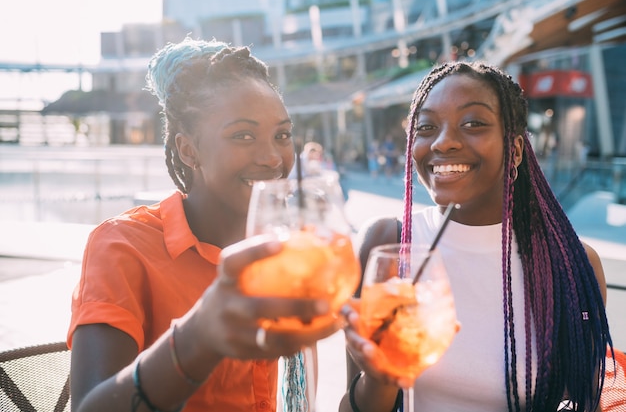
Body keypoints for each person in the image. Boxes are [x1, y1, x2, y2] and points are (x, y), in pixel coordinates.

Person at [67, 37, 342, 412]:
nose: (272, 158)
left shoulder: (282, 250)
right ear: (187, 149)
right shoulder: (122, 245)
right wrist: (201, 334)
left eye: (282, 135)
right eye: (243, 135)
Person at [340, 61, 613, 412]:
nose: (443, 142)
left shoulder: (571, 265)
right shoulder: (385, 245)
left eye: (473, 123)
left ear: (514, 150)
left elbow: (587, 400)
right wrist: (380, 376)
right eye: (426, 127)